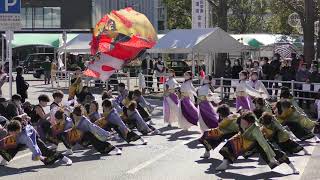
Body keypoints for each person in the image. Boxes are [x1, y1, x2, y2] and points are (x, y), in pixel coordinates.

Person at [217, 112, 299, 174]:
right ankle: (225, 163)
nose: (241, 123)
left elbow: (264, 143)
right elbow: (236, 116)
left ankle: (293, 168)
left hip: (257, 142)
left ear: (249, 123)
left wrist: (271, 157)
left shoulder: (255, 130)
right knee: (231, 143)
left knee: (276, 153)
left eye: (243, 122)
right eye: (241, 121)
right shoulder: (241, 121)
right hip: (244, 139)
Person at [0, 120, 72, 166]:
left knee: (44, 151)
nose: (10, 133)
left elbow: (32, 146)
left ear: (17, 131)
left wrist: (38, 155)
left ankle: (65, 159)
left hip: (33, 136)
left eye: (11, 133)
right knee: (12, 145)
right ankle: (5, 160)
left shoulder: (25, 137)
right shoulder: (13, 125)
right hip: (20, 138)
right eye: (9, 132)